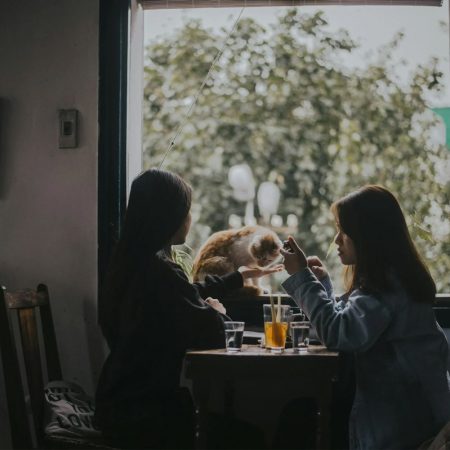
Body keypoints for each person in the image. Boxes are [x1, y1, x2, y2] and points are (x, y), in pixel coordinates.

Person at [95, 168, 281, 449]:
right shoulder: (160, 274)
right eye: (187, 210)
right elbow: (212, 333)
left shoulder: (131, 265)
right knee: (250, 439)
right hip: (147, 419)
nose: (190, 218)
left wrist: (237, 277)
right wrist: (217, 312)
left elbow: (184, 295)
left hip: (119, 405)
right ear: (169, 217)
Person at [280, 185, 450, 450]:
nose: (336, 240)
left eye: (344, 231)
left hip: (402, 426)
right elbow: (349, 320)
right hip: (410, 413)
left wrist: (302, 276)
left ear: (368, 237)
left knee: (298, 418)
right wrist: (322, 285)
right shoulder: (393, 278)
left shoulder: (385, 287)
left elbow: (339, 333)